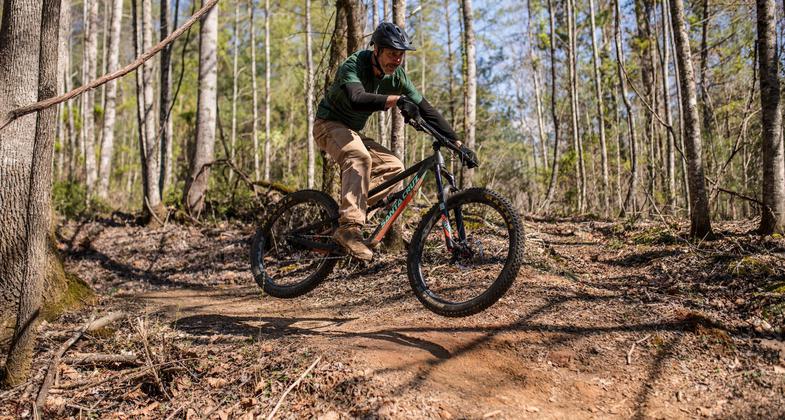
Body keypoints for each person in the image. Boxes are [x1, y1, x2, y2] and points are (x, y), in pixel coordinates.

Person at [314, 22, 459, 261]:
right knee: (359, 158)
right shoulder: (354, 64)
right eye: (392, 54)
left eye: (401, 55)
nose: (397, 60)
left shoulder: (398, 76)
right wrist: (396, 100)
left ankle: (346, 218)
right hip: (328, 124)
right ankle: (349, 228)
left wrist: (457, 142)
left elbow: (426, 109)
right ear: (377, 50)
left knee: (395, 168)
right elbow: (357, 98)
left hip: (352, 132)